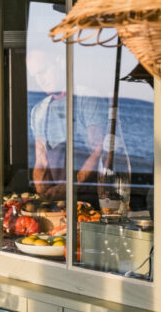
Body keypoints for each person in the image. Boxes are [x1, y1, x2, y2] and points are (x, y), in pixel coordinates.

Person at [26, 49, 107, 201]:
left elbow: (98, 152)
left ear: (59, 61)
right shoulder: (38, 111)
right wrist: (44, 194)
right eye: (35, 76)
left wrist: (66, 190)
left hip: (87, 197)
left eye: (43, 72)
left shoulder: (87, 99)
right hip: (56, 198)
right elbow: (41, 159)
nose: (40, 80)